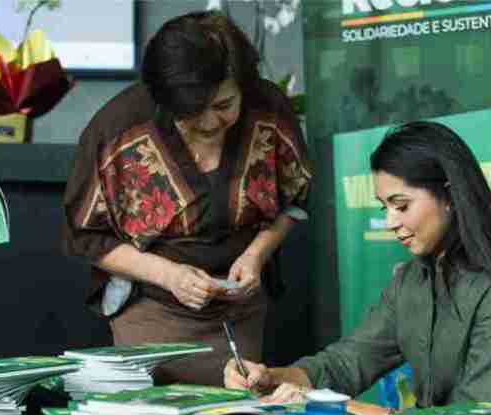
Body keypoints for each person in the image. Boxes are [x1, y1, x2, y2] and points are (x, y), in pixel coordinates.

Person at [225, 121, 491, 415]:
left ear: (450, 196)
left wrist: (348, 408)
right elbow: (350, 361)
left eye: (401, 205)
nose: (390, 222)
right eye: (385, 206)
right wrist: (272, 378)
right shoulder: (411, 279)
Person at [62, 11, 311, 386]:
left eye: (224, 106)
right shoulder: (118, 128)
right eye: (193, 113)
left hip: (241, 308)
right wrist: (169, 275)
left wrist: (256, 255)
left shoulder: (268, 110)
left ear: (243, 85)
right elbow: (84, 236)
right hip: (151, 308)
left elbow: (295, 198)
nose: (211, 122)